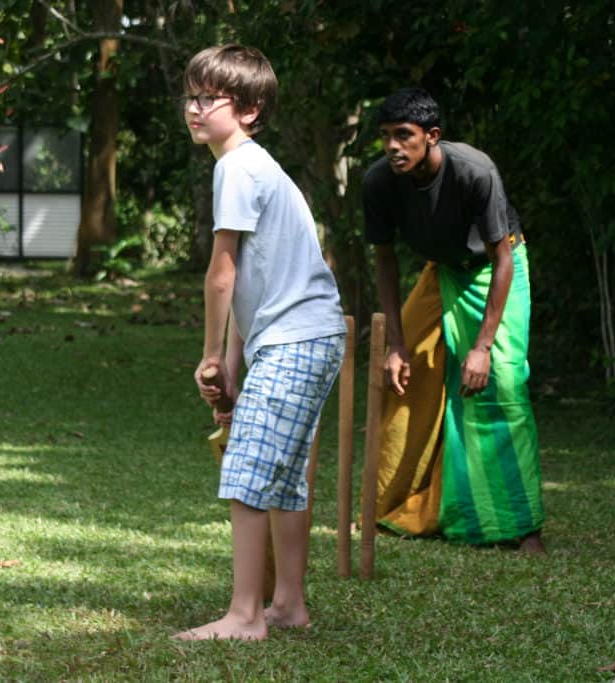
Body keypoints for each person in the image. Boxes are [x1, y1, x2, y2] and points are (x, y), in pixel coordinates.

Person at [176, 45, 346, 641]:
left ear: (248, 110)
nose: (194, 109)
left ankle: (245, 616)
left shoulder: (238, 168)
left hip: (298, 337)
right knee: (286, 473)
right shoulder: (257, 167)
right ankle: (288, 604)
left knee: (249, 467)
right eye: (190, 96)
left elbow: (223, 273)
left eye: (208, 99)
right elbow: (259, 280)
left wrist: (210, 354)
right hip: (307, 335)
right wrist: (235, 366)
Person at [362, 88, 545, 554]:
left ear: (432, 136)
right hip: (440, 272)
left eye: (404, 136)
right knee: (403, 379)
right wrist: (396, 344)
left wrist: (481, 347)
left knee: (503, 384)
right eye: (385, 137)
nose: (393, 147)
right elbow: (383, 260)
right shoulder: (379, 181)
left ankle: (523, 529)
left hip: (496, 271)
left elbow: (502, 258)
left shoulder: (473, 170)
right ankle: (393, 506)